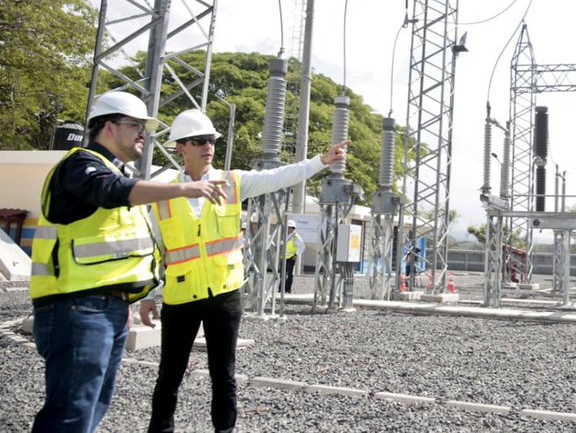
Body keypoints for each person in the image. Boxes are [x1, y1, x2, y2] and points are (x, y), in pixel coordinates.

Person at [139, 109, 348, 433]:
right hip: (180, 297)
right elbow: (157, 249)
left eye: (210, 140)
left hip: (224, 295)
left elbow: (280, 176)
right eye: (198, 141)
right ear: (180, 147)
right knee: (169, 375)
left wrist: (321, 160)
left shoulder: (232, 182)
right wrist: (150, 294)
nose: (208, 146)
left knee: (224, 375)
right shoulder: (163, 194)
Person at [30, 91, 227, 433]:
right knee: (70, 416)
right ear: (108, 127)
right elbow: (110, 191)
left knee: (90, 409)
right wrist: (185, 189)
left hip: (109, 307)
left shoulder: (117, 171)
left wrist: (137, 296)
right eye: (135, 125)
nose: (142, 134)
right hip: (76, 307)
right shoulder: (80, 164)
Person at [283, 219, 304, 294]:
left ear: (292, 228)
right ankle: (281, 289)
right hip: (283, 257)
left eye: (289, 227)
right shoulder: (285, 235)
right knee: (282, 274)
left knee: (289, 274)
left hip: (291, 257)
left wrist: (296, 254)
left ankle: (287, 289)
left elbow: (302, 246)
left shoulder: (296, 237)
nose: (287, 229)